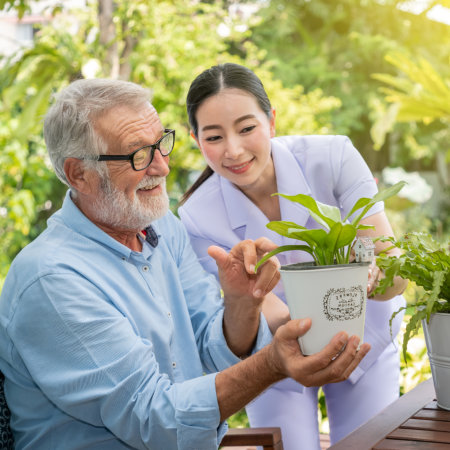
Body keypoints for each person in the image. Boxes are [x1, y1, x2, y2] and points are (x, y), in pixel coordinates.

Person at [0, 78, 371, 450]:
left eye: (161, 144)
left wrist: (242, 303)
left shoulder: (160, 227)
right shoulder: (53, 280)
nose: (162, 167)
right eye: (138, 156)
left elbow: (211, 351)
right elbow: (156, 421)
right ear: (79, 173)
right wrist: (273, 364)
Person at [178, 63, 408, 450]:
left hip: (366, 337)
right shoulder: (197, 217)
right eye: (214, 136)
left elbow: (394, 276)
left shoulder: (332, 158)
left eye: (247, 128)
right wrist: (296, 341)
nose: (233, 150)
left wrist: (370, 273)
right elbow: (265, 312)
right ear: (196, 140)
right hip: (278, 355)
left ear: (271, 121)